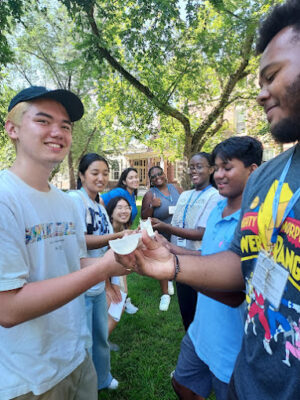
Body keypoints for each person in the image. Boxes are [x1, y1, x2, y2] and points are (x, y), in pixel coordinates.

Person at [114, 1, 300, 398]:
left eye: (272, 75)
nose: (262, 94)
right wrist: (171, 261)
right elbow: (241, 264)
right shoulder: (271, 176)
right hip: (248, 382)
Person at [0, 86, 125, 400]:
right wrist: (103, 270)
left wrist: (124, 259)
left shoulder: (68, 203)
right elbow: (8, 308)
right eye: (43, 121)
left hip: (77, 357)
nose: (57, 132)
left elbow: (74, 263)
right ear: (11, 128)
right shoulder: (5, 198)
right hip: (27, 378)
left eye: (66, 125)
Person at [171, 136, 263, 400]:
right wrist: (170, 249)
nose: (218, 175)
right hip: (200, 329)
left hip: (231, 346)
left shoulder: (257, 221)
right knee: (182, 384)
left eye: (227, 167)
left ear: (253, 170)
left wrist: (172, 268)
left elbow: (235, 294)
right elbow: (207, 256)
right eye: (217, 167)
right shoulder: (218, 208)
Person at [68, 153, 127, 390]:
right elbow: (79, 241)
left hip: (98, 281)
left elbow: (104, 245)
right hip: (80, 282)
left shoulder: (100, 206)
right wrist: (116, 235)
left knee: (100, 337)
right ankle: (85, 384)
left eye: (105, 173)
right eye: (95, 173)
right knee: (82, 341)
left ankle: (103, 378)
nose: (101, 178)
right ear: (81, 175)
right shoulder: (75, 200)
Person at [151, 153, 221, 327]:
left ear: (211, 169)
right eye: (191, 167)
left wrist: (164, 227)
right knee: (186, 312)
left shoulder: (215, 196)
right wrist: (162, 241)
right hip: (179, 261)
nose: (193, 171)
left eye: (199, 166)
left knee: (202, 315)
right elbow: (177, 225)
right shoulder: (185, 195)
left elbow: (201, 233)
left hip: (200, 261)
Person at [141, 166, 182, 311]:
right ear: (150, 180)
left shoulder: (176, 188)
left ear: (164, 174)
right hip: (161, 234)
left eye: (159, 174)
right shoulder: (150, 194)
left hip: (178, 232)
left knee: (177, 258)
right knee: (163, 261)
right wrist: (152, 205)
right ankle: (165, 295)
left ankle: (171, 279)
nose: (157, 177)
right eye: (153, 176)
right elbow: (144, 217)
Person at [101, 167, 139, 314]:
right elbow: (100, 200)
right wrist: (105, 219)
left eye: (136, 177)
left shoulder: (131, 195)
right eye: (131, 177)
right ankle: (116, 298)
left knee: (123, 265)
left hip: (122, 230)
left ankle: (122, 298)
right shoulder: (120, 193)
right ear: (124, 181)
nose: (135, 179)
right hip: (113, 230)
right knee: (114, 263)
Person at [106, 195, 138, 335]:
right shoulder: (106, 232)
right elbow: (100, 262)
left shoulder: (124, 228)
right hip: (102, 276)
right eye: (119, 208)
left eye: (127, 208)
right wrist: (109, 287)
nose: (124, 211)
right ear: (111, 212)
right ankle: (96, 347)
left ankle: (102, 342)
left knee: (118, 306)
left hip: (117, 272)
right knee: (114, 308)